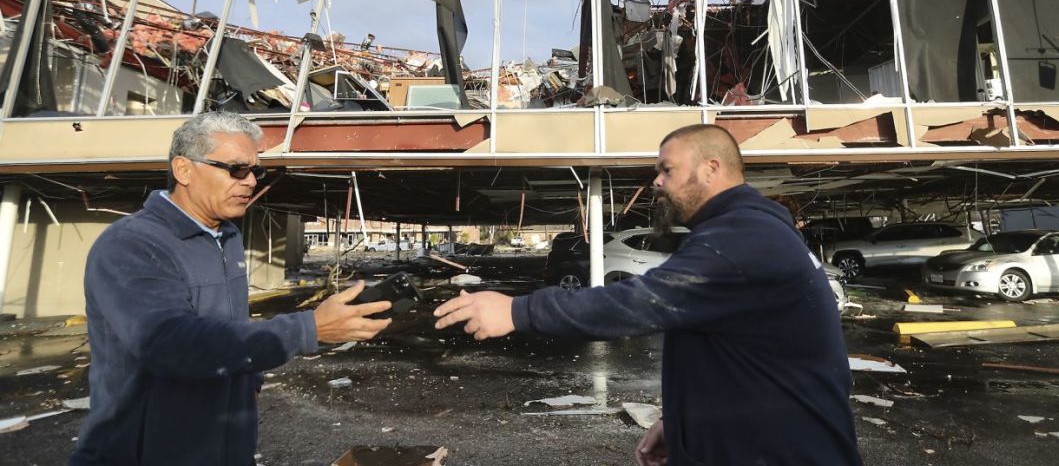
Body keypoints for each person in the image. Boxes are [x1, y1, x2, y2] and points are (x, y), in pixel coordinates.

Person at [434, 124, 861, 465]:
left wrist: (518, 310)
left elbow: (644, 302)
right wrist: (680, 424)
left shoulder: (744, 235)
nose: (656, 181)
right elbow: (728, 352)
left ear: (712, 169)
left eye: (667, 169)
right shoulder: (750, 231)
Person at [72, 112, 394, 466]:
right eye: (237, 169)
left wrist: (247, 380)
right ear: (184, 170)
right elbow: (171, 345)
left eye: (257, 171)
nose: (252, 181)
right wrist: (309, 328)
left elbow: (228, 327)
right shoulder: (133, 245)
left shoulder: (226, 237)